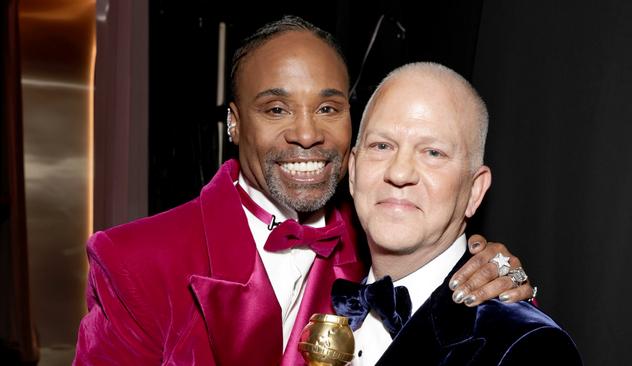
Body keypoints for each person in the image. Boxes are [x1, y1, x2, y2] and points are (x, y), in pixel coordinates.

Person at [73, 16, 534, 365]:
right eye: (276, 109)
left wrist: (492, 271)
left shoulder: (381, 233)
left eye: (329, 107)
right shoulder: (134, 259)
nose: (308, 134)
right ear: (233, 122)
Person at [333, 62, 581, 365]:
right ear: (354, 172)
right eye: (382, 145)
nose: (399, 173)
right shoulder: (320, 294)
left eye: (433, 153)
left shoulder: (527, 346)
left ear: (475, 191)